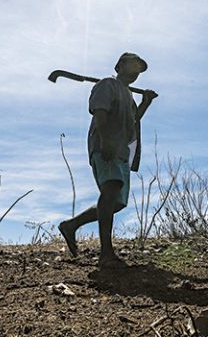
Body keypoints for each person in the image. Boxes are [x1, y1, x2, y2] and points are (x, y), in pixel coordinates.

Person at [58, 52, 157, 269]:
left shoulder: (128, 95)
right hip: (106, 146)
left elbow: (132, 121)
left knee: (116, 202)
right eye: (134, 65)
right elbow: (100, 112)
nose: (137, 71)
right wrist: (105, 141)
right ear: (120, 65)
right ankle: (106, 254)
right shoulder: (107, 85)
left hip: (121, 150)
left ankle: (71, 225)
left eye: (140, 69)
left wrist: (146, 103)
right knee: (111, 189)